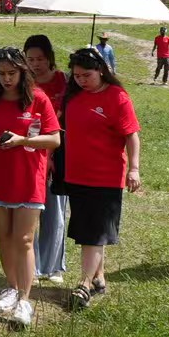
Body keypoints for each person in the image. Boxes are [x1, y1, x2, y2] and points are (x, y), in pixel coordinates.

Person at [0, 46, 60, 329]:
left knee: (24, 240)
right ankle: (10, 287)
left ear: (23, 72)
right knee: (4, 237)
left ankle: (24, 299)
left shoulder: (38, 100)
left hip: (28, 179)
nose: (6, 79)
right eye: (1, 73)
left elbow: (54, 139)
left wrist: (22, 140)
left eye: (11, 73)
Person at [59, 47, 141, 311]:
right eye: (77, 76)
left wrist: (134, 168)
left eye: (87, 75)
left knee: (94, 233)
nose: (82, 80)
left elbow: (132, 135)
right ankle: (99, 276)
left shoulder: (118, 97)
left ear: (102, 70)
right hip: (76, 174)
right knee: (89, 231)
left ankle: (83, 284)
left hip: (106, 176)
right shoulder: (72, 97)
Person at [22, 34, 70, 284]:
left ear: (49, 58)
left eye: (40, 58)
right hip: (31, 150)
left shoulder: (66, 80)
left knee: (56, 210)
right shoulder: (24, 85)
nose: (35, 64)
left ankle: (51, 267)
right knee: (30, 209)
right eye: (30, 59)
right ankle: (32, 264)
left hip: (61, 150)